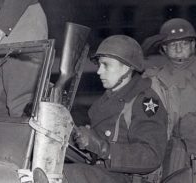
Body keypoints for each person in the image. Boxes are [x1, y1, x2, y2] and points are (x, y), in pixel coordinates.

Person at [63, 35, 168, 183]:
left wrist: (103, 148)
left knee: (67, 175)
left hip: (127, 178)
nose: (99, 71)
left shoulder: (144, 101)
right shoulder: (106, 100)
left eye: (106, 65)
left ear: (126, 67)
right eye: (99, 65)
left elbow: (151, 156)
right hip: (102, 173)